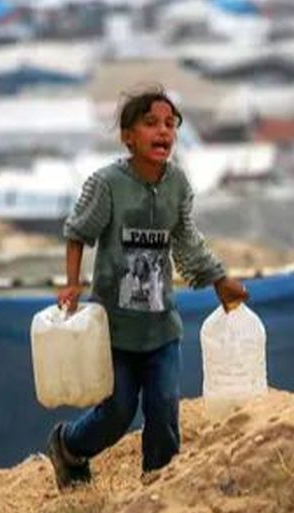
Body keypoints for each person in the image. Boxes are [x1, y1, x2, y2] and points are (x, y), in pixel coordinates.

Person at [46, 85, 248, 488]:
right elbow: (78, 232)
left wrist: (219, 280)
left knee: (164, 408)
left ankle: (159, 487)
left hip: (160, 327)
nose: (163, 131)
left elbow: (187, 239)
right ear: (128, 136)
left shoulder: (177, 186)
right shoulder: (107, 185)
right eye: (151, 123)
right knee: (119, 411)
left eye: (170, 124)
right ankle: (69, 447)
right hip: (115, 329)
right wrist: (72, 284)